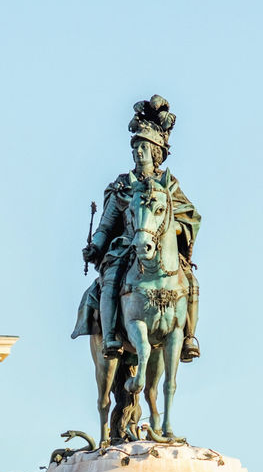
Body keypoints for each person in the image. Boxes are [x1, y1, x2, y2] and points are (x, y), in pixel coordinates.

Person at [73, 96, 202, 361]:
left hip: (160, 250)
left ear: (155, 151)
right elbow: (107, 223)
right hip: (127, 247)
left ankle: (188, 338)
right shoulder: (123, 185)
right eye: (135, 146)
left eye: (143, 146)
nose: (137, 151)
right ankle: (109, 336)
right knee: (109, 280)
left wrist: (172, 231)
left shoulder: (170, 187)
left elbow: (189, 218)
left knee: (190, 282)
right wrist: (96, 245)